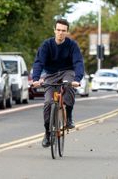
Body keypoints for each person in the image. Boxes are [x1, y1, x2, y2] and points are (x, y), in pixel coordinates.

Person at [32, 18, 85, 148]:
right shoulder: (47, 45)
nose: (61, 33)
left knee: (69, 86)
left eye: (63, 31)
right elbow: (39, 62)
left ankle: (69, 116)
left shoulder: (72, 45)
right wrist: (35, 79)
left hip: (67, 71)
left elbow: (78, 62)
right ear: (54, 30)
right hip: (51, 74)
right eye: (58, 30)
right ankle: (47, 133)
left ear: (67, 32)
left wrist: (77, 79)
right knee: (48, 103)